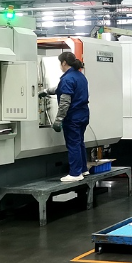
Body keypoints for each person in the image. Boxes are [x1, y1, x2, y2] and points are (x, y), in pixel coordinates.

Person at [39, 52, 90, 182]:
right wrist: (46, 91)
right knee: (79, 142)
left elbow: (65, 102)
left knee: (73, 144)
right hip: (83, 114)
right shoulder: (80, 76)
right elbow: (60, 89)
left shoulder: (67, 78)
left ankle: (75, 173)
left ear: (64, 63)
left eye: (60, 63)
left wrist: (58, 119)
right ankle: (83, 169)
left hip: (73, 117)